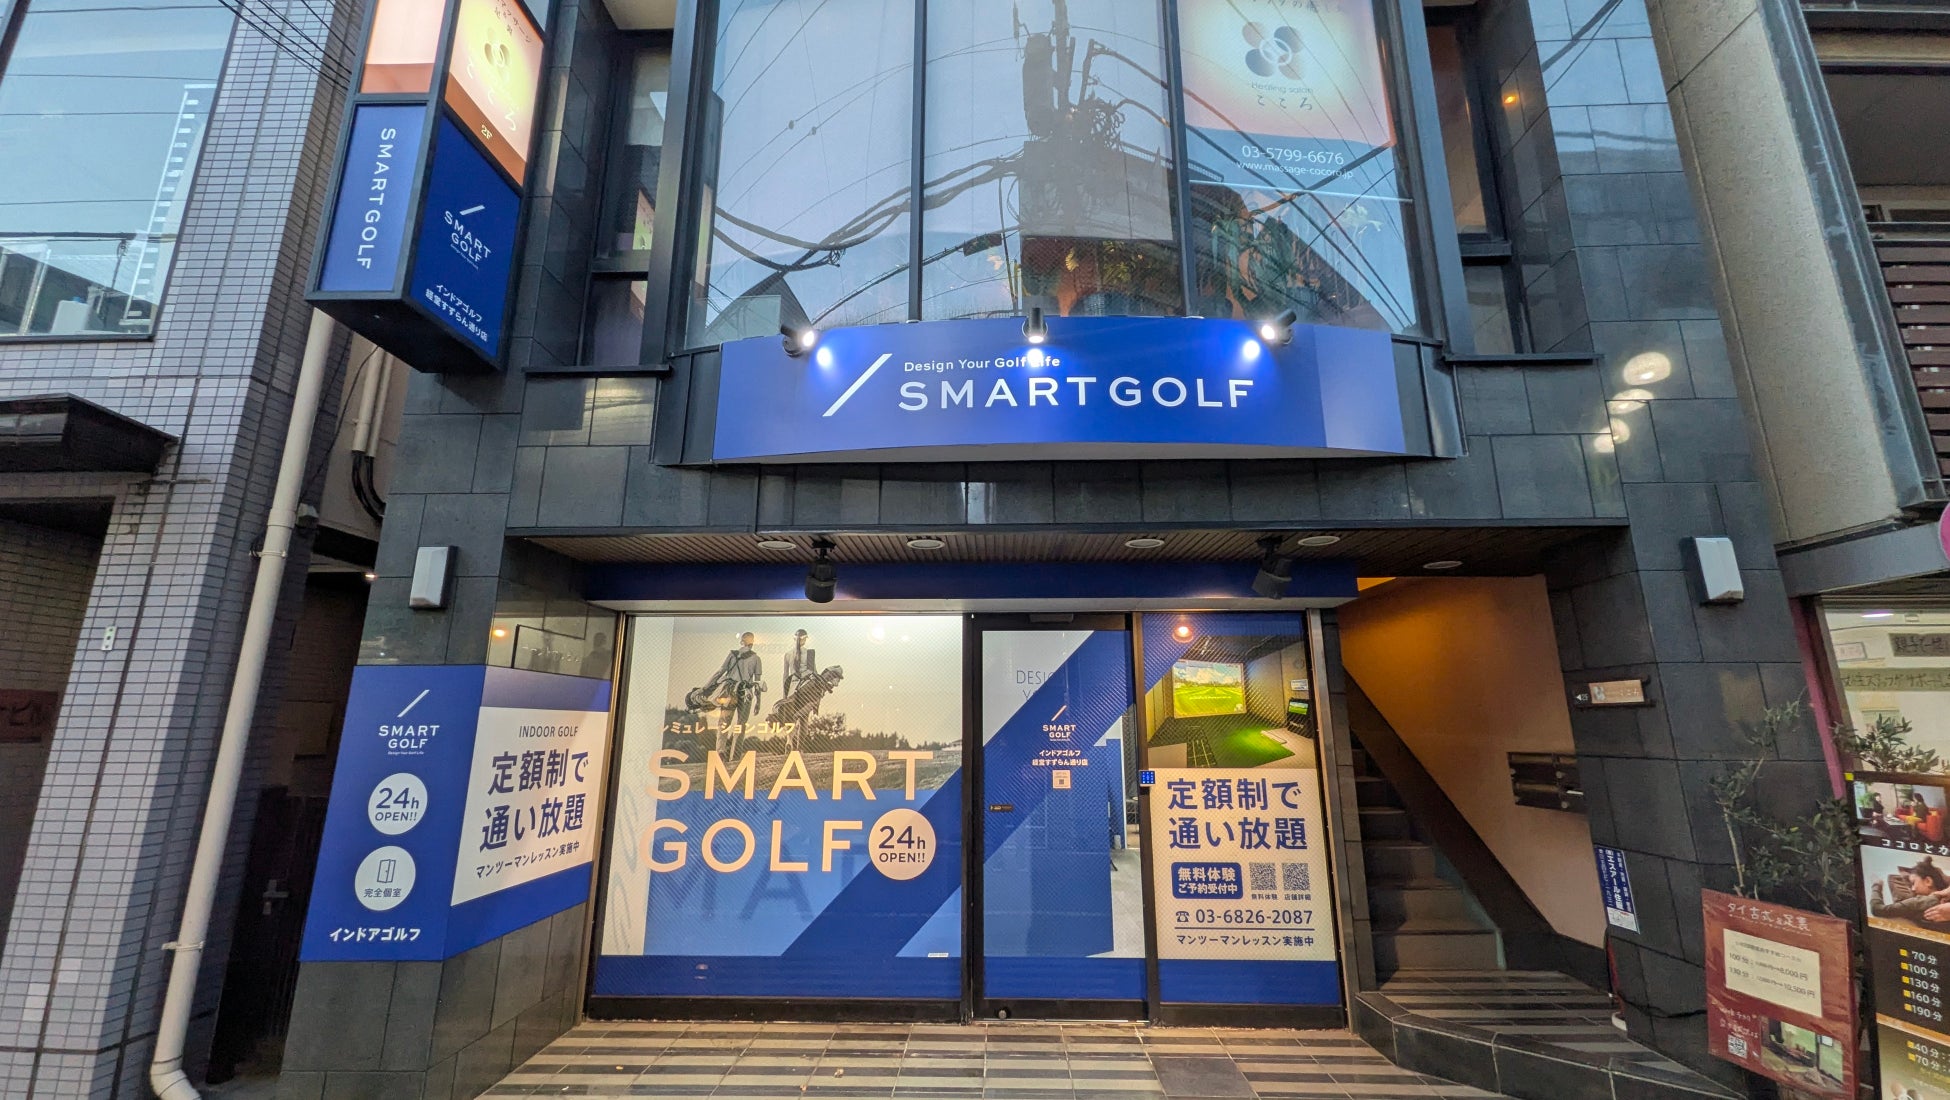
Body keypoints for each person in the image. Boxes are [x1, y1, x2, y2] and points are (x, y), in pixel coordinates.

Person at [1871, 858, 1950, 931]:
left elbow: (1877, 909)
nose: (1912, 889)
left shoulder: (1919, 902)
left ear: (1928, 881)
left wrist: (1876, 885)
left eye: (1913, 883)